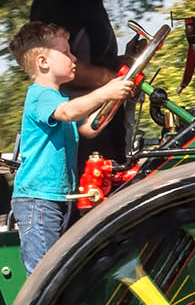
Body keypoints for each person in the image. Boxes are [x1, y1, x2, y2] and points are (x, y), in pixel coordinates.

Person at [8, 22, 133, 273]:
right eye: (66, 52)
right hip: (39, 199)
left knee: (57, 271)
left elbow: (89, 128)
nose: (74, 58)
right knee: (44, 275)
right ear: (43, 62)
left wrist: (115, 98)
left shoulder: (58, 98)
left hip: (56, 198)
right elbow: (67, 113)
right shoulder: (41, 96)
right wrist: (104, 92)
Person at [29, 0, 132, 172]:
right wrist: (110, 79)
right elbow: (50, 70)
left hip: (99, 134)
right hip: (75, 145)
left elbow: (91, 60)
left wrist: (124, 62)